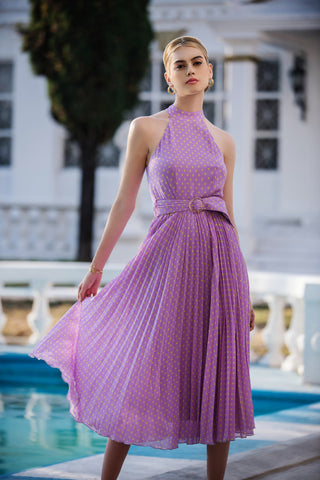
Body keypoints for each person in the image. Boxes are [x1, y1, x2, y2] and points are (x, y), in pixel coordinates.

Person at [29, 35, 256, 480]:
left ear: (210, 72)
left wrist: (241, 289)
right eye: (180, 65)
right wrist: (96, 268)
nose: (190, 70)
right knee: (144, 366)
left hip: (220, 263)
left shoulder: (225, 142)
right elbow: (124, 203)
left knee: (219, 368)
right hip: (167, 259)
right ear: (168, 78)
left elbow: (230, 216)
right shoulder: (147, 128)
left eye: (198, 63)